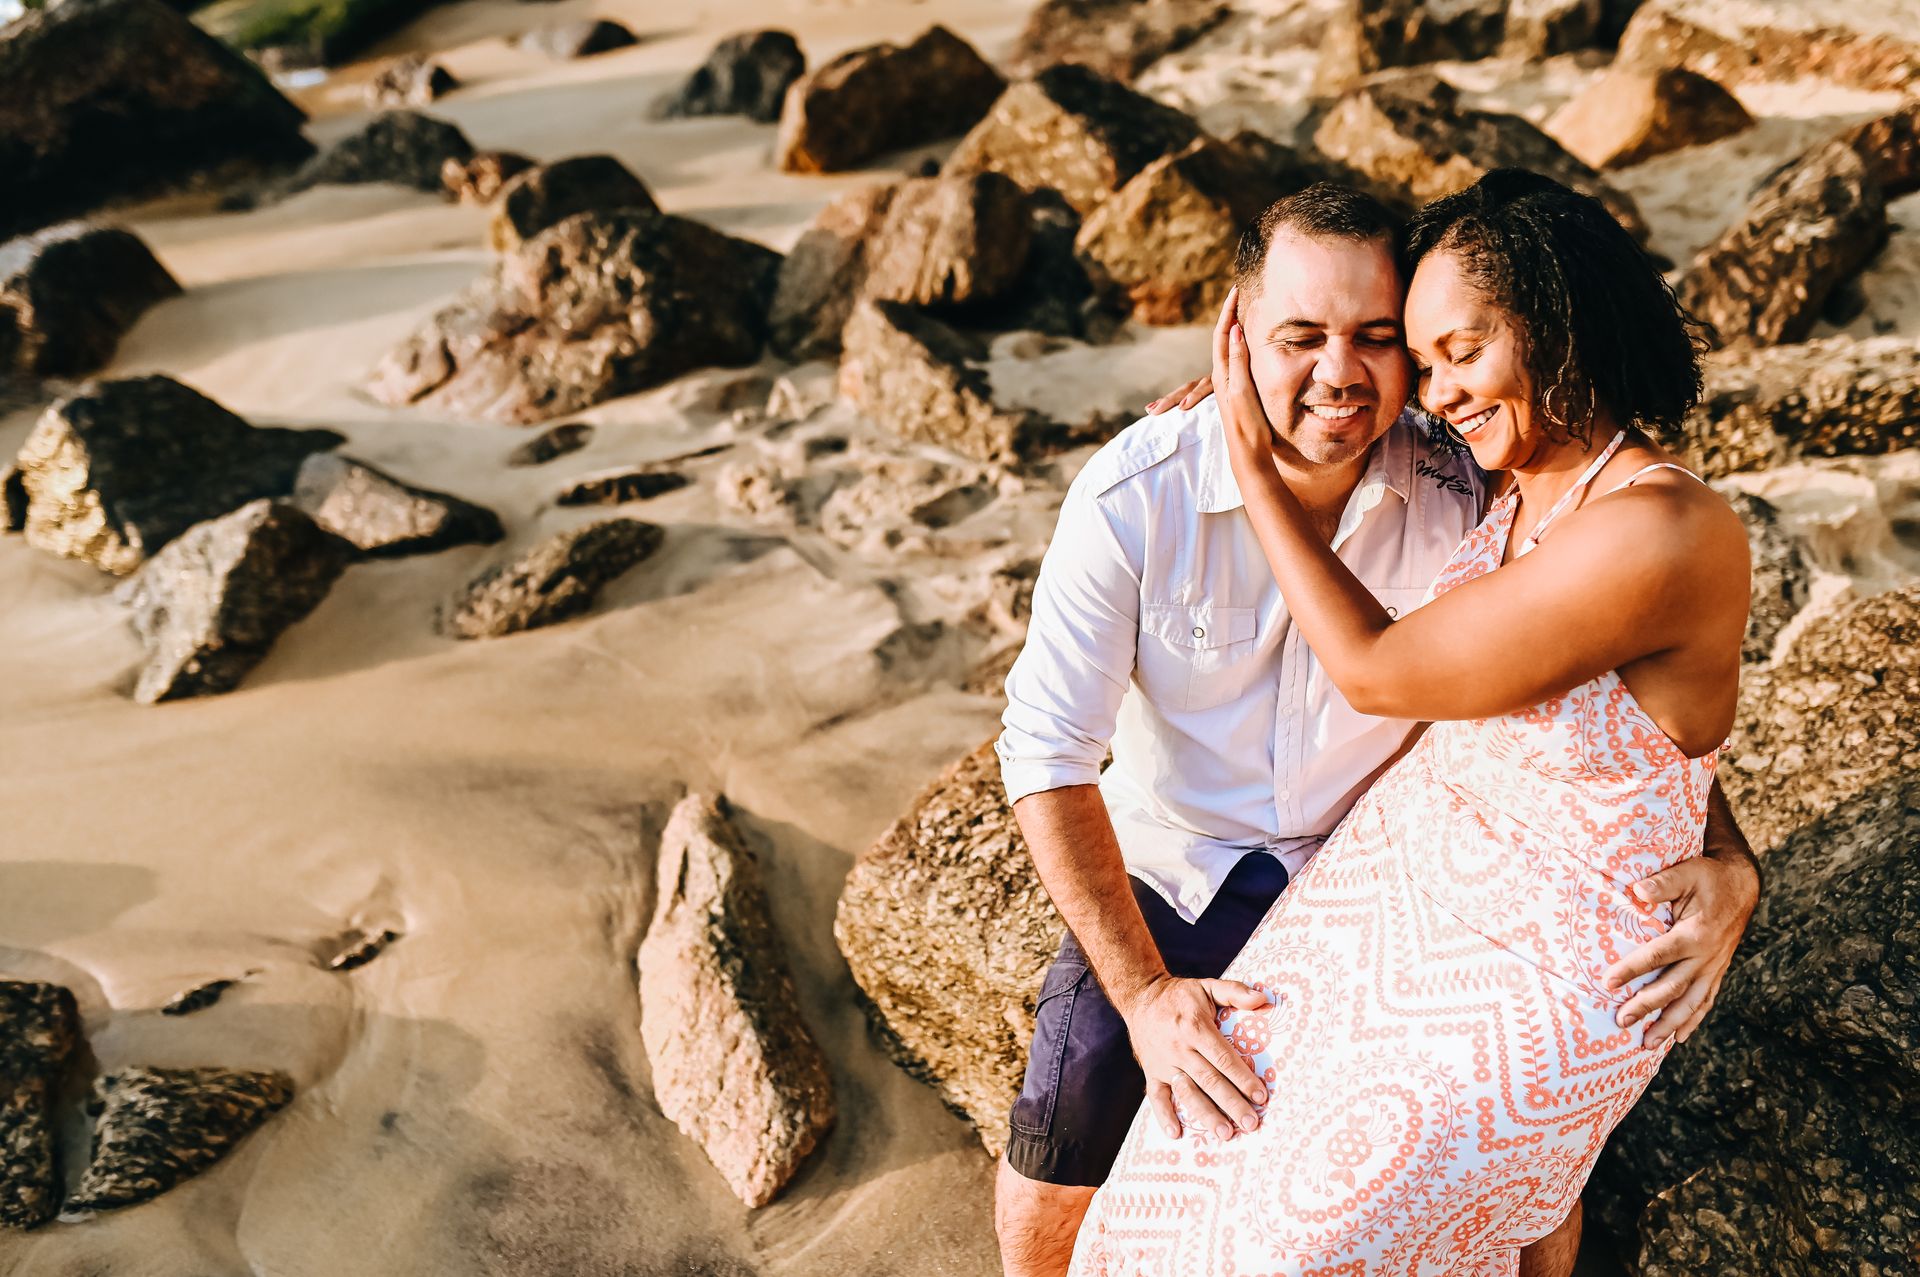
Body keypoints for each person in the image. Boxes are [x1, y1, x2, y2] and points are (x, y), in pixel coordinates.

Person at [992, 179, 1760, 1277]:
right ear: (1239, 334)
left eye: (1384, 341)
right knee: (1094, 1141)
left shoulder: (1475, 477)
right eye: (1299, 336)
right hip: (1202, 868)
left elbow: (1592, 699)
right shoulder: (1146, 489)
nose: (1356, 374)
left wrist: (1729, 855)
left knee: (1344, 1225)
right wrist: (1145, 993)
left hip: (1434, 899)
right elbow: (1044, 752)